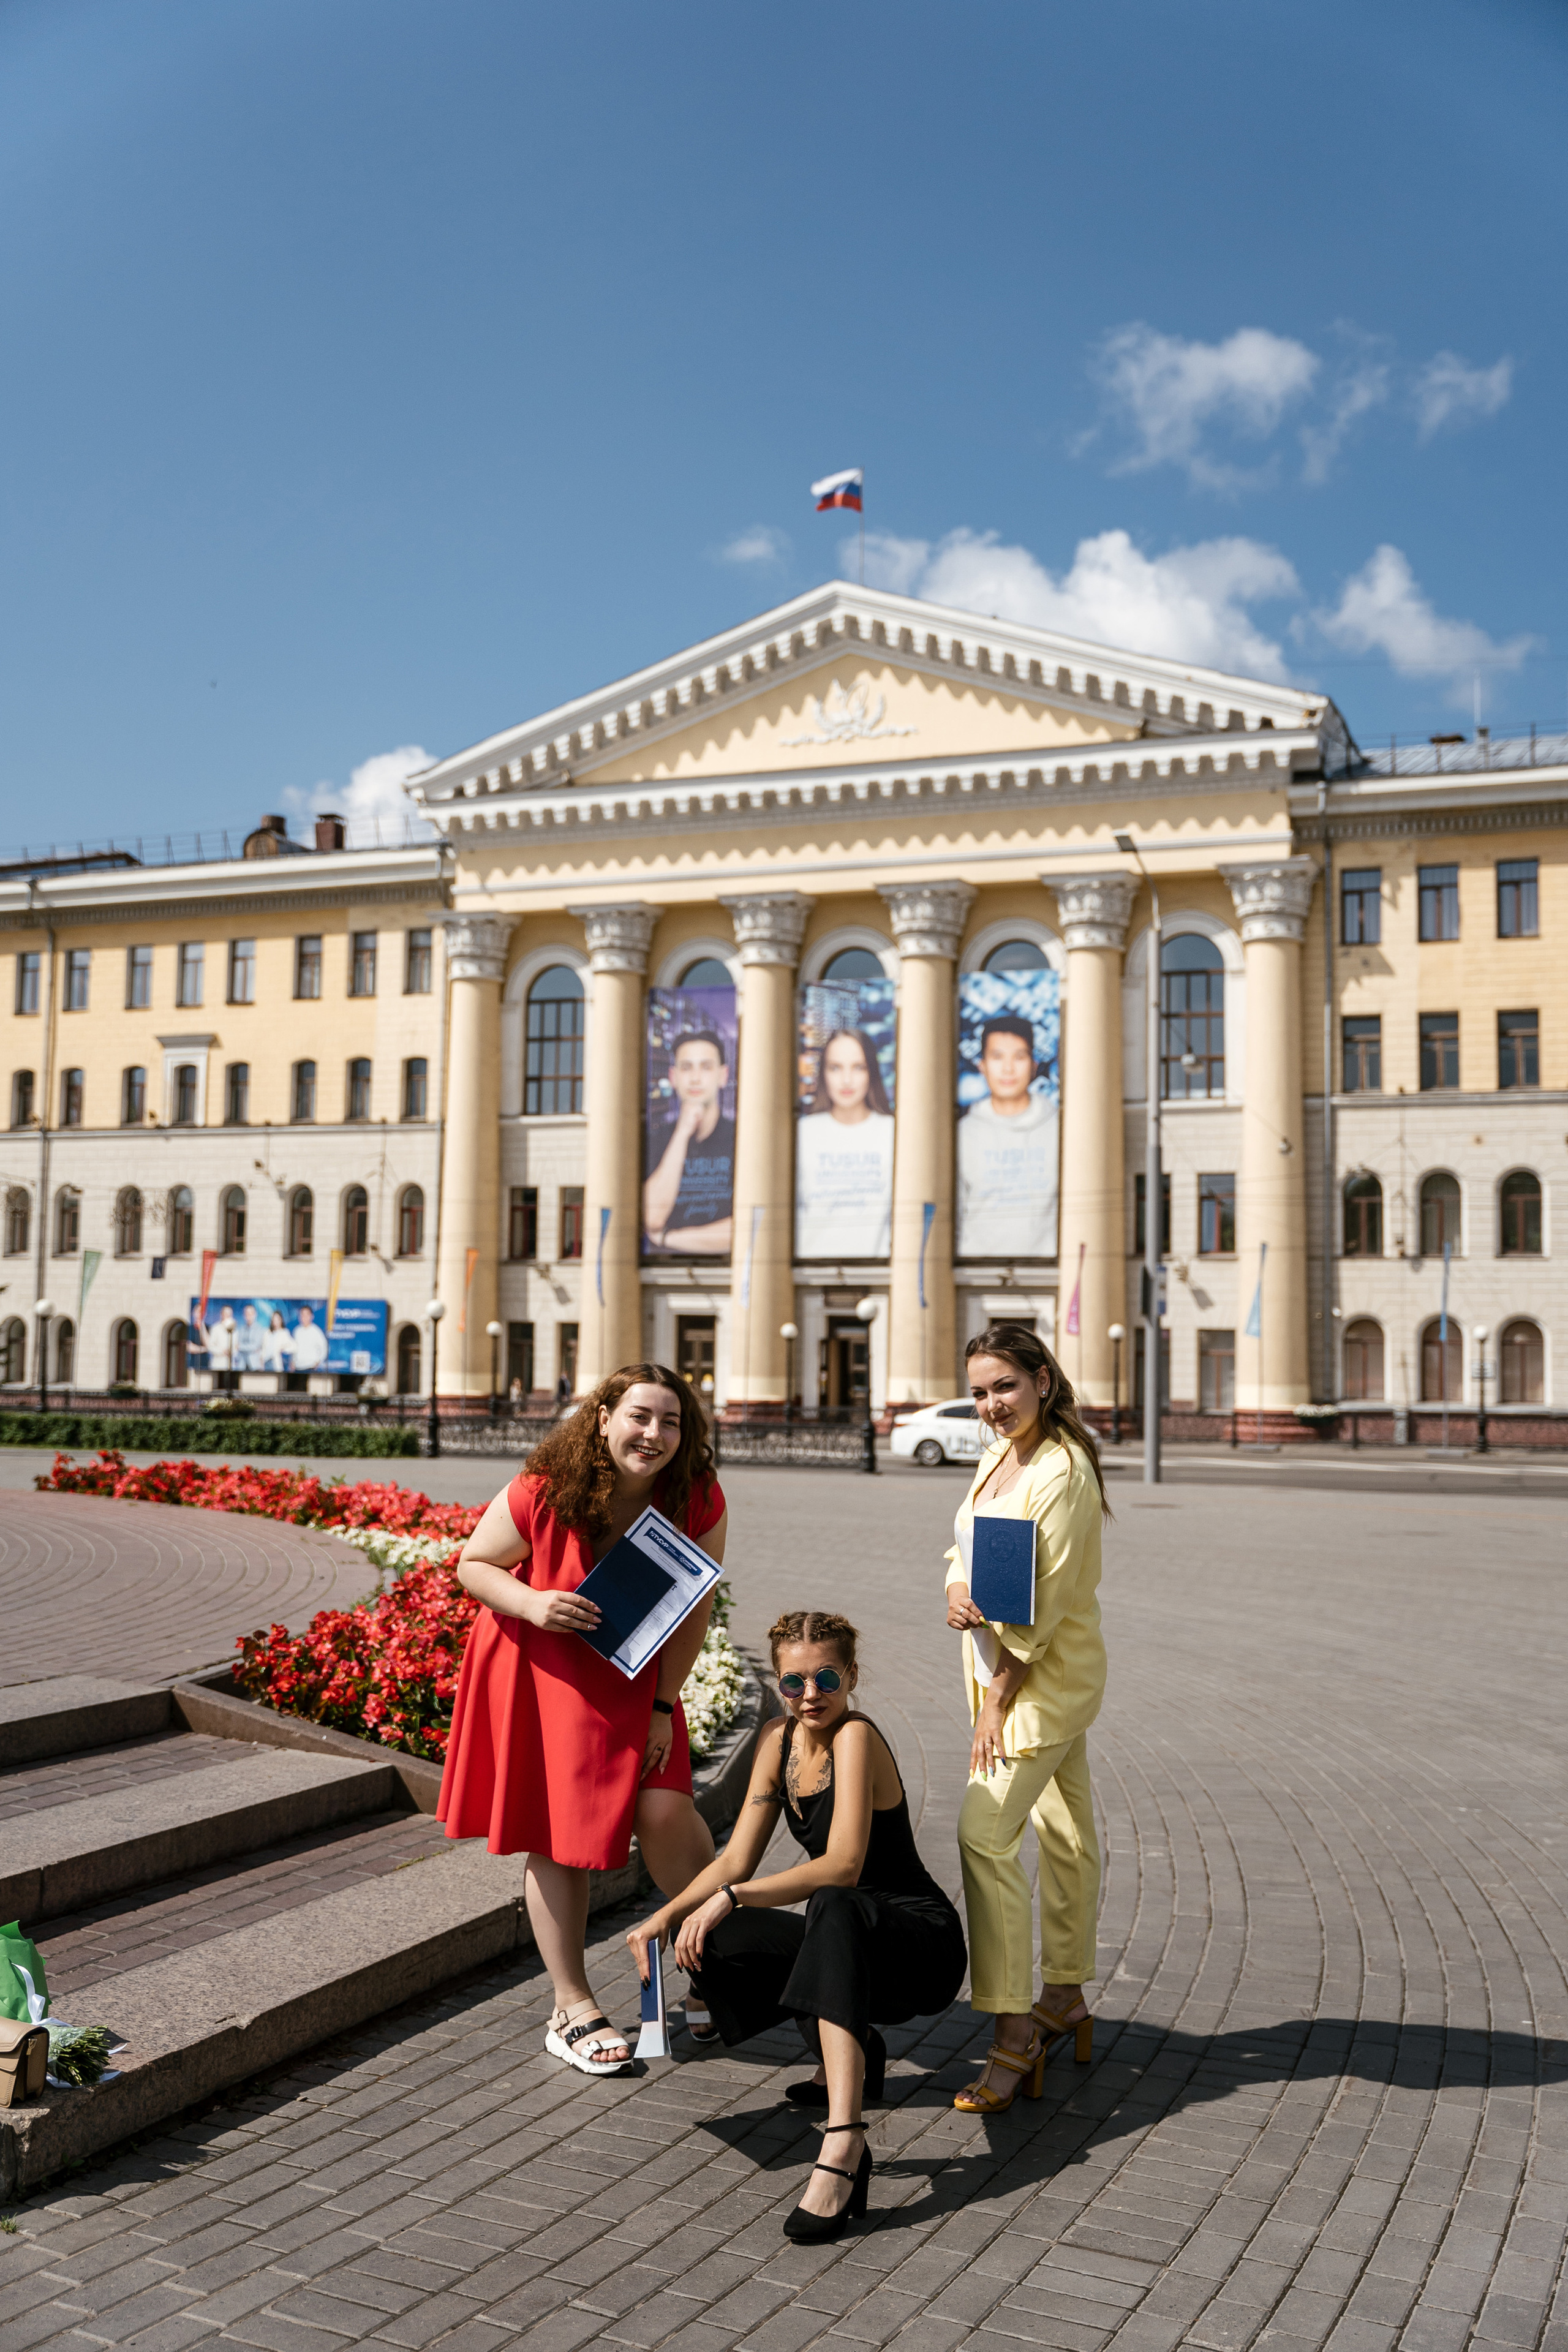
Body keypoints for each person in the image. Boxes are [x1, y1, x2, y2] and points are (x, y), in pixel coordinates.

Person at [627, 1610, 966, 2244]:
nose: (810, 1696)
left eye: (826, 1678)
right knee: (712, 1935)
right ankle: (855, 2054)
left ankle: (844, 2141)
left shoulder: (855, 1738)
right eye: (793, 1683)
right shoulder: (776, 1744)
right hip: (846, 1939)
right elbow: (734, 1860)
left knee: (829, 1904)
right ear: (779, 1682)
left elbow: (843, 1866)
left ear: (851, 1676)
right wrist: (666, 1915)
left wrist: (730, 1895)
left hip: (917, 1945)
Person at [439, 1365, 726, 2075]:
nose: (653, 1434)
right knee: (557, 1833)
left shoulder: (696, 1497)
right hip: (544, 1673)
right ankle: (570, 2008)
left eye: (670, 1422)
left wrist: (664, 1707)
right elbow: (473, 1566)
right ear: (603, 1417)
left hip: (639, 1682)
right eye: (639, 1416)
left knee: (664, 1813)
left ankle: (716, 1965)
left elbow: (694, 1612)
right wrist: (533, 1601)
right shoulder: (544, 1485)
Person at [944, 1322, 1109, 2113]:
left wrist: (999, 1700)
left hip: (1035, 1688)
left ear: (1043, 1379)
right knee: (1068, 1837)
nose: (991, 1404)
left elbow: (1041, 1605)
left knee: (983, 1835)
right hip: (1011, 1680)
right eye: (978, 1391)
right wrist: (952, 1590)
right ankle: (1067, 1996)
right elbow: (967, 1553)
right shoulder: (999, 1457)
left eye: (1004, 1386)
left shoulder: (1062, 1471)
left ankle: (1014, 2033)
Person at [956, 1016, 1059, 1258]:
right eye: (997, 1057)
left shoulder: (1060, 1129)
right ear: (982, 1066)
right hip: (976, 1276)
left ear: (1034, 1065)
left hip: (1048, 1272)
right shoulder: (965, 1133)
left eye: (1019, 1057)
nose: (1008, 1069)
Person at [794, 1029, 895, 1259]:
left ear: (871, 1072)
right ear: (824, 1074)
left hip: (879, 1275)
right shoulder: (804, 1133)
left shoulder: (892, 1132)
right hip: (811, 1273)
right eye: (835, 1068)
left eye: (858, 1067)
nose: (846, 1080)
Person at [643, 1031, 734, 1256]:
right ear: (673, 1078)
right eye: (686, 1068)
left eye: (706, 1067)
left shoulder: (739, 1138)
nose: (695, 1078)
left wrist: (668, 1238)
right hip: (663, 1274)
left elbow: (743, 1230)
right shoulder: (656, 1140)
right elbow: (652, 1218)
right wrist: (682, 1134)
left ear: (723, 1076)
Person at [290, 1304, 330, 1371]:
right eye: (302, 1315)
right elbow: (294, 1348)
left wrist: (318, 1361)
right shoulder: (297, 1331)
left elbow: (324, 1346)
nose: (304, 1317)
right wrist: (293, 1361)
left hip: (310, 1366)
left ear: (311, 1316)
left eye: (307, 1315)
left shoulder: (316, 1331)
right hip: (298, 1366)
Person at [260, 1310, 293, 1376]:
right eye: (274, 1320)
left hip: (276, 1363)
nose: (275, 1322)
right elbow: (264, 1348)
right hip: (266, 1362)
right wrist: (262, 1360)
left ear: (281, 1320)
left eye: (277, 1319)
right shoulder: (267, 1333)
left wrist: (283, 1348)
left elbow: (293, 1346)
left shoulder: (284, 1332)